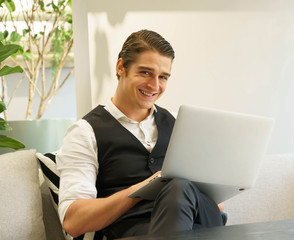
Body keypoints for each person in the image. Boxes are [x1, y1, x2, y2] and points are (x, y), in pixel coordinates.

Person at [57, 29, 225, 240]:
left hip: (198, 226)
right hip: (134, 233)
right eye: (145, 72)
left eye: (163, 77)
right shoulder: (85, 132)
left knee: (182, 189)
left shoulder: (180, 123)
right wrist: (144, 188)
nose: (155, 86)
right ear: (121, 67)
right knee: (178, 187)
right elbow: (74, 221)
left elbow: (216, 205)